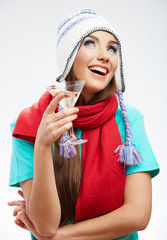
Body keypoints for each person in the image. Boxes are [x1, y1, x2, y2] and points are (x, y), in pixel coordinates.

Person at [8, 9, 159, 240]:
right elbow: (46, 224)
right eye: (90, 43)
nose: (105, 55)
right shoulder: (28, 124)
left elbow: (138, 216)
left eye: (112, 48)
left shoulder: (129, 121)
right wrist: (42, 145)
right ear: (68, 55)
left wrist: (57, 237)